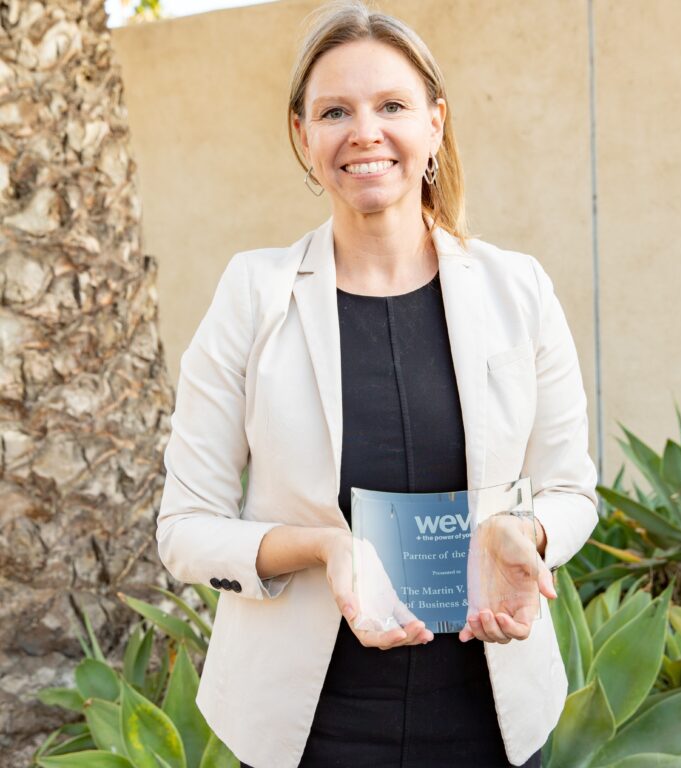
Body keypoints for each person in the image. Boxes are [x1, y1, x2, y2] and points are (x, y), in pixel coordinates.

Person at [155, 2, 598, 766]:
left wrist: (524, 532)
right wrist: (325, 548)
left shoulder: (517, 288)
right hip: (306, 729)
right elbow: (185, 528)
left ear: (434, 123)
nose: (365, 132)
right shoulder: (252, 293)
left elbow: (572, 491)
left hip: (491, 718)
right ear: (303, 135)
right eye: (335, 111)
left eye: (391, 105)